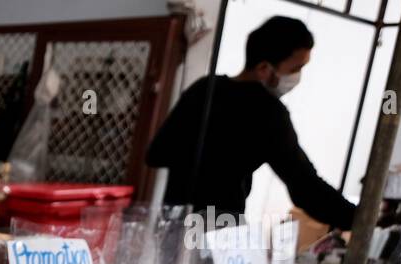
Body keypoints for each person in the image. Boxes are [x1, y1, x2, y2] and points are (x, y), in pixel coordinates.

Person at [146, 16, 356, 231]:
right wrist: (357, 219)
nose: (297, 77)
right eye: (295, 69)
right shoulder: (268, 113)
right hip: (219, 233)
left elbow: (156, 153)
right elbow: (304, 185)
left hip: (172, 224)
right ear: (264, 68)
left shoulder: (204, 88)